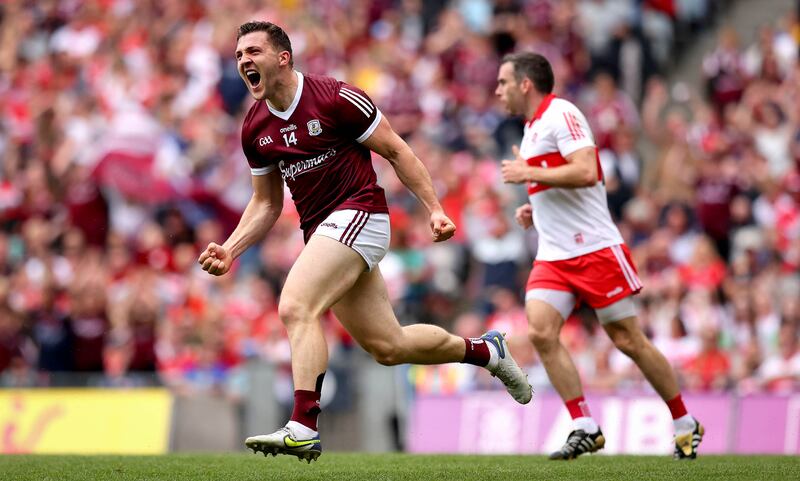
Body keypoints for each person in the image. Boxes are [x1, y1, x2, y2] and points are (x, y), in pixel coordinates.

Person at [197, 21, 532, 462]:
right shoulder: (255, 128)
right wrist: (231, 248)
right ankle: (487, 351)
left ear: (283, 57)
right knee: (389, 347)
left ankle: (303, 425)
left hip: (362, 214)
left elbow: (396, 150)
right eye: (239, 55)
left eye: (253, 52)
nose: (243, 61)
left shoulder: (334, 97)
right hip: (325, 233)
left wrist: (434, 208)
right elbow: (265, 204)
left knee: (295, 305)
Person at [494, 52, 703, 460]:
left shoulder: (561, 114)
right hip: (554, 255)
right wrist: (535, 208)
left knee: (628, 339)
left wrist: (529, 175)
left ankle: (684, 421)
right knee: (540, 331)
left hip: (593, 249)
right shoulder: (533, 127)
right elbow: (562, 181)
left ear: (524, 84)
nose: (497, 91)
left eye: (503, 82)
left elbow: (587, 171)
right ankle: (584, 425)